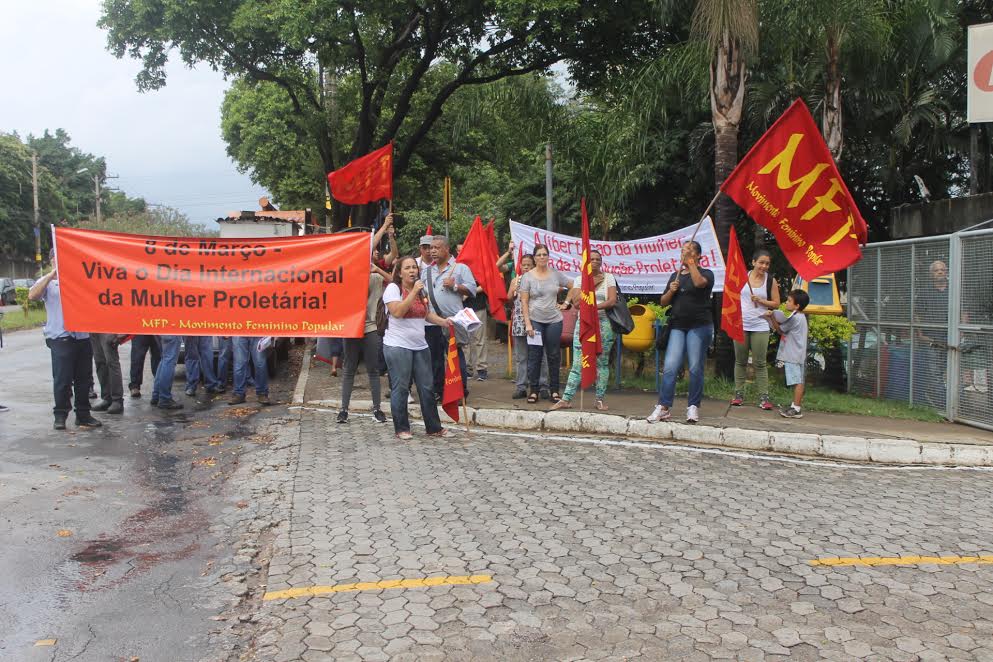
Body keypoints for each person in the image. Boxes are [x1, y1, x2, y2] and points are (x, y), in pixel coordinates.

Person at [382, 256, 456, 440]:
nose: (412, 271)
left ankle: (433, 427)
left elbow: (426, 314)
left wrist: (444, 322)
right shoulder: (393, 288)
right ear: (399, 272)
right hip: (397, 346)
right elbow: (398, 312)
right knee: (400, 387)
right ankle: (402, 428)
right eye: (407, 268)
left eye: (414, 267)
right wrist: (413, 292)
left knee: (427, 387)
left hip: (420, 346)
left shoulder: (421, 291)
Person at [28, 261, 102, 430]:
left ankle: (83, 415)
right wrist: (50, 276)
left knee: (84, 380)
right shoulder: (49, 282)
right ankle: (60, 415)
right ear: (52, 260)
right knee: (62, 379)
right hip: (60, 337)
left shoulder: (81, 280)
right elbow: (32, 296)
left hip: (82, 337)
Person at [647, 240, 715, 424]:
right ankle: (663, 407)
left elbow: (700, 283)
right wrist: (671, 290)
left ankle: (693, 407)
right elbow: (663, 302)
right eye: (683, 251)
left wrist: (691, 263)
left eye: (689, 251)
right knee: (670, 366)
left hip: (699, 326)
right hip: (678, 326)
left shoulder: (706, 273)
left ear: (698, 256)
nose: (684, 253)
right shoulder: (675, 275)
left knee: (695, 367)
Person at [551, 250, 618, 411]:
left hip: (603, 325)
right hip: (584, 324)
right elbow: (576, 303)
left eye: (597, 259)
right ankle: (566, 399)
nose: (594, 261)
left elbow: (611, 301)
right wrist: (587, 287)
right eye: (591, 259)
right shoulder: (580, 280)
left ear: (601, 262)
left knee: (601, 363)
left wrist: (593, 307)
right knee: (578, 363)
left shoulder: (609, 278)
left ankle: (599, 399)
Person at [422, 235, 476, 399]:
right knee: (434, 358)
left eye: (436, 248)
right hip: (431, 321)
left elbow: (472, 290)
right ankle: (438, 390)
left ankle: (460, 390)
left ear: (446, 249)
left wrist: (455, 286)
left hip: (452, 320)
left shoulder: (460, 268)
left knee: (454, 356)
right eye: (431, 248)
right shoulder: (427, 271)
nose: (432, 251)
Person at [520, 244, 573, 403]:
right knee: (535, 355)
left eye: (545, 254)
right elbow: (524, 301)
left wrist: (566, 303)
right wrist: (528, 324)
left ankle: (555, 391)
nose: (542, 257)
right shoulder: (527, 277)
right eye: (539, 255)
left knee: (554, 355)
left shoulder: (555, 274)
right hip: (535, 320)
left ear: (548, 257)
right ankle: (534, 390)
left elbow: (573, 286)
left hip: (554, 320)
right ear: (534, 258)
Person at [731, 249, 781, 410]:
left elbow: (776, 303)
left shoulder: (770, 280)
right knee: (740, 361)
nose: (764, 266)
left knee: (760, 363)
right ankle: (738, 394)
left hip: (760, 325)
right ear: (753, 262)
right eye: (761, 262)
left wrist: (761, 300)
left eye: (767, 263)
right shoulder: (742, 276)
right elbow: (731, 296)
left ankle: (764, 397)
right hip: (741, 325)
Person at [338, 269, 387, 424]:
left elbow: (393, 279)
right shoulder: (344, 277)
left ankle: (377, 408)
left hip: (370, 328)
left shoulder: (375, 278)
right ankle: (343, 409)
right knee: (349, 369)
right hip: (351, 328)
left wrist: (377, 268)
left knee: (373, 369)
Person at [507, 254, 549, 399]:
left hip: (536, 323)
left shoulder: (539, 280)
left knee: (540, 356)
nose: (525, 267)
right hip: (519, 324)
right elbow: (508, 298)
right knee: (521, 357)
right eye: (523, 265)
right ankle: (521, 387)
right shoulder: (515, 280)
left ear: (534, 265)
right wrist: (513, 290)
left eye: (528, 265)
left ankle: (542, 386)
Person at [765, 289, 810, 418]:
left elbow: (780, 330)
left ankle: (796, 408)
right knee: (799, 380)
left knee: (797, 382)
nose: (787, 303)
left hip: (793, 355)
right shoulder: (800, 317)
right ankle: (795, 406)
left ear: (797, 306)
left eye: (789, 301)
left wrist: (771, 317)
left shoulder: (795, 318)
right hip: (797, 354)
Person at [914, 259, 949, 408]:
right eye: (936, 270)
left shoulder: (954, 290)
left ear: (946, 272)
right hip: (931, 339)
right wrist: (921, 335)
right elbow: (918, 315)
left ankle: (954, 402)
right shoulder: (924, 293)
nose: (940, 272)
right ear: (931, 274)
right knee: (934, 372)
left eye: (942, 269)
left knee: (951, 371)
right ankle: (943, 404)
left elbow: (963, 312)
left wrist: (961, 334)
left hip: (950, 338)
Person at [89, 332, 125, 414]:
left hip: (108, 326)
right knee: (99, 362)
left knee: (111, 362)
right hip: (92, 326)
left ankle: (117, 399)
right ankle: (107, 398)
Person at [229, 337, 270, 405]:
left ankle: (262, 393)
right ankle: (239, 394)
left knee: (260, 364)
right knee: (239, 364)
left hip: (257, 332)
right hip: (239, 332)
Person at [151, 335, 184, 410]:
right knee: (169, 360)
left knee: (165, 359)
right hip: (171, 328)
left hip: (160, 328)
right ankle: (164, 398)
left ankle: (157, 395)